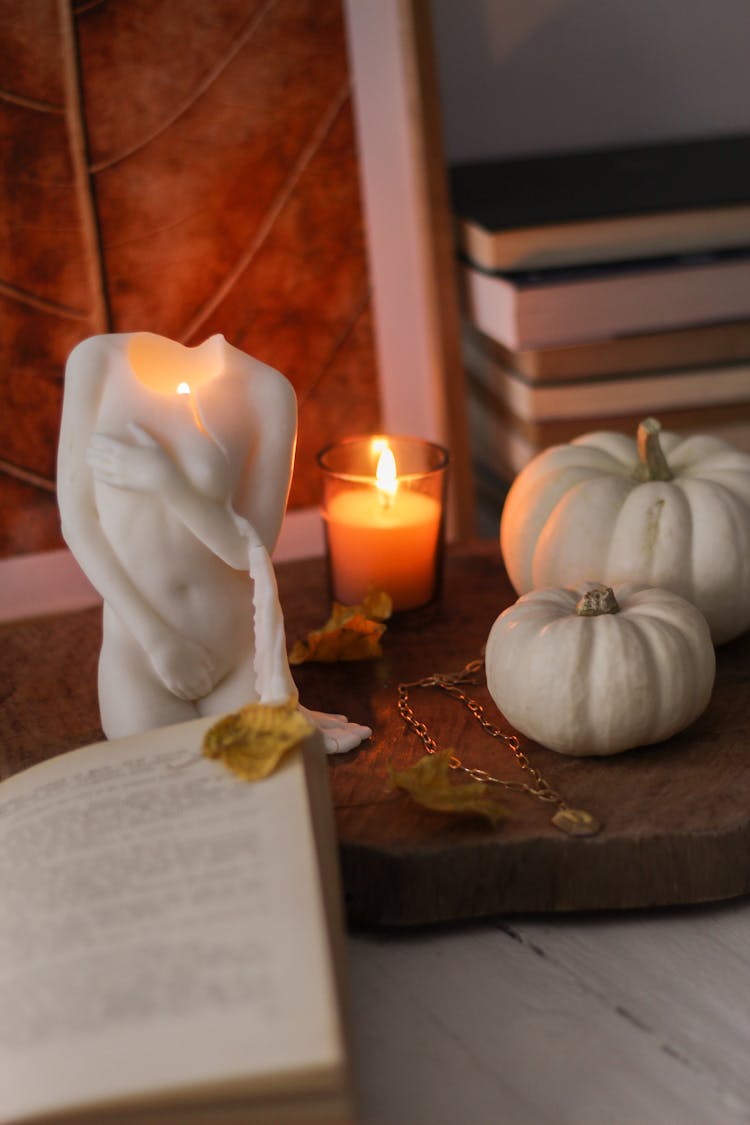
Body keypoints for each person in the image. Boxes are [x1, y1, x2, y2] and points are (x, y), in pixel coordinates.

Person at [57, 331, 370, 752]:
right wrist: (160, 642)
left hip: (238, 653)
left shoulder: (266, 390)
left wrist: (167, 483)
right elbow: (78, 522)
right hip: (141, 651)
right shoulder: (96, 362)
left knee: (264, 770)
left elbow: (251, 552)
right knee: (158, 774)